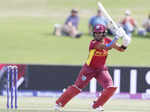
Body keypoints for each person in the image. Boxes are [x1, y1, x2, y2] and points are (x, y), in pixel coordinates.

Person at [54, 24, 129, 112]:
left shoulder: (108, 40)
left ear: (104, 33)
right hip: (88, 69)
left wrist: (125, 43)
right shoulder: (94, 43)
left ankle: (97, 105)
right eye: (96, 33)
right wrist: (116, 36)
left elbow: (121, 49)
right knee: (77, 88)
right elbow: (107, 47)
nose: (97, 35)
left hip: (101, 69)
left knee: (110, 87)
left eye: (99, 33)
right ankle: (59, 103)